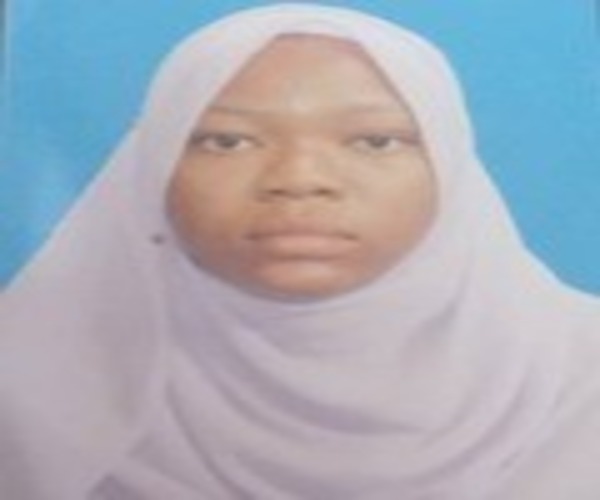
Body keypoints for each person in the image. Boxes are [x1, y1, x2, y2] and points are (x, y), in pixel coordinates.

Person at [1, 4, 599, 499]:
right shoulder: (29, 377)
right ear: (152, 166)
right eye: (228, 141)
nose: (300, 179)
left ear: (449, 164)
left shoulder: (582, 375)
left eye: (375, 141)